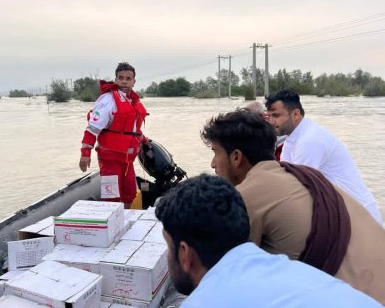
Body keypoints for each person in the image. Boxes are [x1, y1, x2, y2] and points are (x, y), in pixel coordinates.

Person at [201, 110, 385, 304]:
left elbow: (224, 272)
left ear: (236, 157)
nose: (213, 164)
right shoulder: (304, 176)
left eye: (215, 152)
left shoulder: (247, 195)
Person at [155, 174, 383, 308]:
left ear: (184, 253)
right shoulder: (297, 272)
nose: (168, 256)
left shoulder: (205, 302)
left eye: (168, 246)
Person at [265, 89, 383, 225]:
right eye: (269, 116)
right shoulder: (292, 138)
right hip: (342, 212)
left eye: (276, 115)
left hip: (361, 217)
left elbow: (296, 189)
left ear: (296, 114)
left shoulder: (310, 140)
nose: (272, 122)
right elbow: (284, 179)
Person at [79, 62, 149, 209]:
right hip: (110, 158)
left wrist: (144, 140)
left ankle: (125, 219)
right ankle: (112, 226)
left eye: (128, 78)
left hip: (128, 159)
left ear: (134, 81)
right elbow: (92, 129)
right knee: (111, 197)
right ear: (116, 79)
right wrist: (85, 153)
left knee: (130, 193)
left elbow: (133, 129)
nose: (124, 81)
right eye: (121, 77)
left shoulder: (133, 100)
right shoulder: (108, 100)